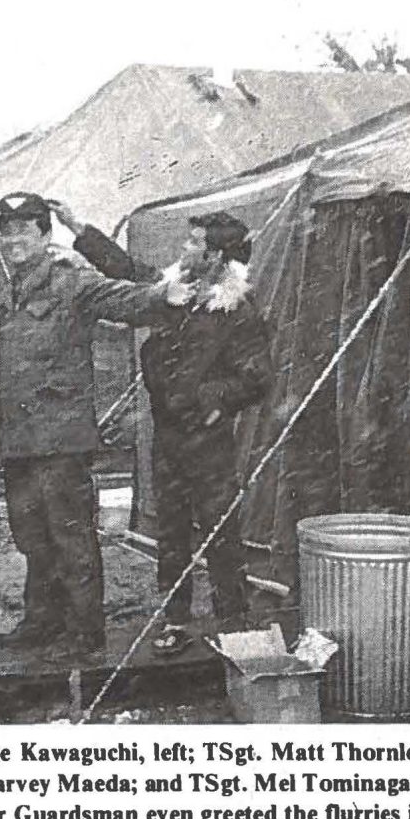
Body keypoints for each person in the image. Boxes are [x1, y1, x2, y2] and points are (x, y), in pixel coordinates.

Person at [0, 193, 195, 656]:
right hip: (19, 439)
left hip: (61, 438)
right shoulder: (6, 290)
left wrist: (163, 294)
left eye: (24, 229)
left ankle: (84, 631)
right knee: (32, 537)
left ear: (45, 235)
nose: (14, 239)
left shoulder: (71, 279)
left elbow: (121, 297)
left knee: (71, 537)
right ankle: (41, 620)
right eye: (7, 230)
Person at [140, 211, 272, 655]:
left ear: (215, 256)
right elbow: (126, 273)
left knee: (219, 530)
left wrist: (213, 402)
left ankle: (232, 621)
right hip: (168, 436)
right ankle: (175, 619)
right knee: (171, 531)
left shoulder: (237, 312)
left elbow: (256, 377)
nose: (184, 249)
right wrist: (81, 232)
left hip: (207, 440)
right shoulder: (178, 295)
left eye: (193, 243)